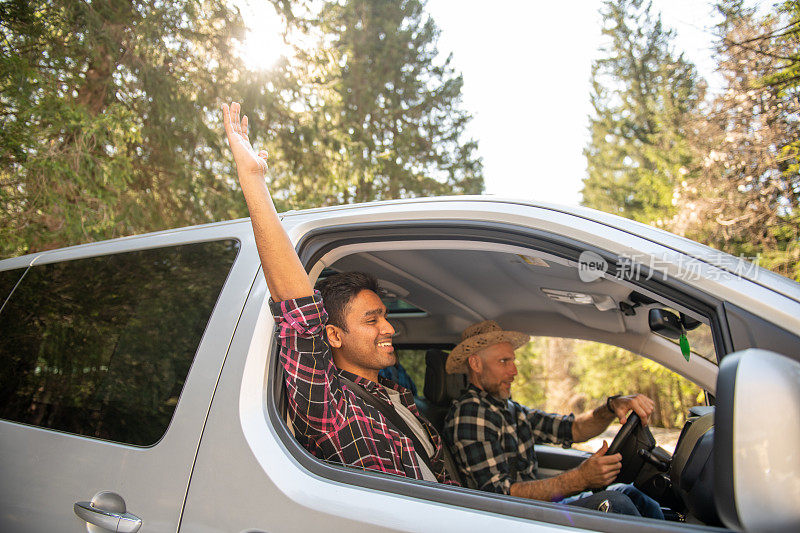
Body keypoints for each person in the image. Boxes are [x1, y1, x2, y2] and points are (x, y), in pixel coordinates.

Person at [221, 101, 455, 484]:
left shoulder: (397, 398)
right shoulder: (331, 409)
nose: (389, 329)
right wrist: (253, 181)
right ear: (333, 335)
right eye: (371, 319)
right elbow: (298, 311)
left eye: (384, 315)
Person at [443, 320, 663, 518]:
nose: (514, 371)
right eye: (504, 361)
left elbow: (573, 428)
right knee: (617, 503)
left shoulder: (510, 409)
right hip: (516, 516)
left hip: (539, 507)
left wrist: (612, 407)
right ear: (476, 364)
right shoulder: (470, 414)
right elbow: (499, 495)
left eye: (513, 361)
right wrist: (581, 479)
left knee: (631, 493)